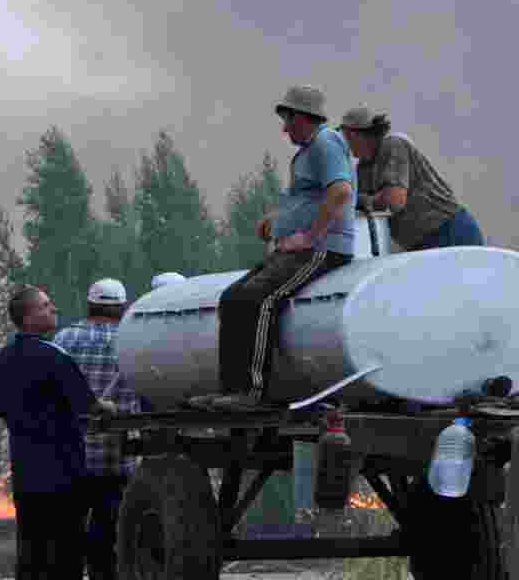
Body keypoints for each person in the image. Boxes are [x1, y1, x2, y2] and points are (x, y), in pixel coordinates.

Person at [192, 85, 357, 413]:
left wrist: (310, 236)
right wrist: (278, 220)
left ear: (303, 117)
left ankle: (251, 393)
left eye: (288, 120)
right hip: (297, 247)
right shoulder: (311, 150)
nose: (284, 128)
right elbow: (308, 198)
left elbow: (340, 192)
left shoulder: (326, 143)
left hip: (322, 248)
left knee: (260, 297)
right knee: (233, 297)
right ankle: (230, 390)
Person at [0, 285, 104, 580]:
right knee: (68, 537)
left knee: (31, 535)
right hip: (65, 462)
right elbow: (88, 404)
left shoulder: (5, 357)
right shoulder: (56, 357)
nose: (53, 308)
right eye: (45, 305)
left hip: (26, 463)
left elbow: (2, 409)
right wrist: (106, 407)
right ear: (28, 317)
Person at [53, 278, 140, 580]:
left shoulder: (63, 340)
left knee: (67, 531)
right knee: (108, 533)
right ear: (121, 307)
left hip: (70, 454)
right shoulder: (131, 342)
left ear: (89, 304)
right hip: (116, 457)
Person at [340, 106, 485, 250]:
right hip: (422, 240)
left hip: (449, 230)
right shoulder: (364, 167)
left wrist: (363, 200)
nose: (344, 144)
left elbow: (394, 200)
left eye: (344, 137)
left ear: (354, 135)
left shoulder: (393, 145)